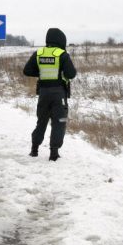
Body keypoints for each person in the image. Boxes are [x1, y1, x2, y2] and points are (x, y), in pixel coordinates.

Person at [23, 28, 77, 161]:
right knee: (59, 122)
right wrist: (60, 73)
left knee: (41, 121)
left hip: (43, 93)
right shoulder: (62, 54)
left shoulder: (39, 53)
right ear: (61, 40)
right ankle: (54, 153)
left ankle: (34, 149)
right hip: (59, 93)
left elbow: (27, 70)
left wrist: (41, 73)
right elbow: (71, 74)